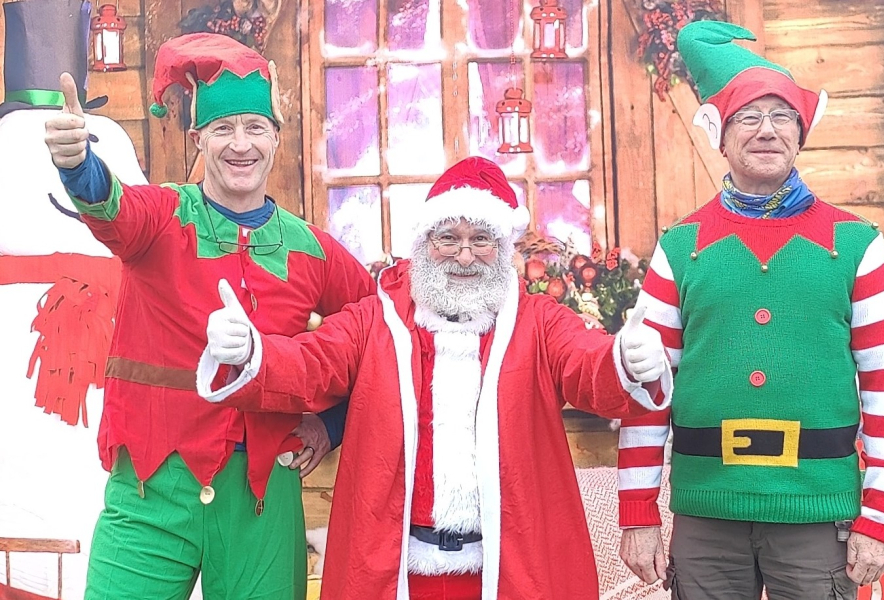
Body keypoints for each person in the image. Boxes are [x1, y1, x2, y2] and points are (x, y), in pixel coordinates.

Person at [196, 156, 674, 600]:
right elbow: (310, 363)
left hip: (505, 568)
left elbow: (588, 365)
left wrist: (627, 361)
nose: (464, 256)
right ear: (425, 244)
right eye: (448, 238)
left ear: (503, 247)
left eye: (481, 239)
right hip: (398, 569)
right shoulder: (375, 319)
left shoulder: (538, 321)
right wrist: (250, 351)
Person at [43, 33, 374, 599]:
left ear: (276, 137)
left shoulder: (312, 249)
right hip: (151, 488)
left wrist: (331, 423)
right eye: (222, 129)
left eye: (254, 127)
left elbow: (376, 332)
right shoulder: (164, 215)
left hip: (262, 494)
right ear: (197, 138)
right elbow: (112, 206)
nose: (239, 144)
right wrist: (78, 166)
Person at [617, 21, 884, 600]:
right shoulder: (682, 247)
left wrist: (880, 519)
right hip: (706, 517)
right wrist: (637, 511)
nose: (766, 130)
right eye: (748, 117)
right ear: (720, 137)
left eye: (782, 116)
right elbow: (647, 391)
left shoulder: (855, 244)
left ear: (801, 134)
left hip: (816, 513)